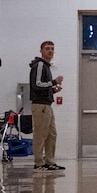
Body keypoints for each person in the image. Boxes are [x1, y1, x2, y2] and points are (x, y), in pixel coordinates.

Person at [27, 40, 65, 172]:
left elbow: (43, 86)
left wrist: (53, 90)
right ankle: (38, 163)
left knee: (51, 134)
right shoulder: (39, 65)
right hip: (40, 106)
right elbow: (36, 84)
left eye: (52, 49)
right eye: (47, 48)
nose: (50, 51)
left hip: (47, 104)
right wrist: (54, 82)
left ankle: (49, 161)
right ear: (41, 51)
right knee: (40, 134)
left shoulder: (47, 66)